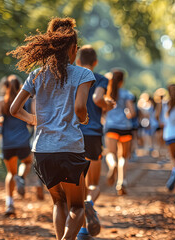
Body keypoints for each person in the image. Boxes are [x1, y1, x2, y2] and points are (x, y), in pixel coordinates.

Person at [8, 18, 95, 239]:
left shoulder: (37, 74)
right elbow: (80, 107)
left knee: (59, 202)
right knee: (77, 206)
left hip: (42, 149)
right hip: (70, 147)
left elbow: (14, 108)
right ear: (74, 48)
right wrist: (83, 119)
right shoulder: (83, 74)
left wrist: (34, 119)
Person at [75, 45, 115, 239]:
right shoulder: (101, 78)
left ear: (77, 61)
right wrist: (107, 104)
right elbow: (98, 98)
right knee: (93, 184)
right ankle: (90, 203)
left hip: (73, 135)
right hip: (93, 135)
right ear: (96, 62)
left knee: (77, 186)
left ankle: (82, 231)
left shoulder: (73, 77)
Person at [0, 75, 34, 216]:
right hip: (22, 141)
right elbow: (30, 119)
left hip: (7, 142)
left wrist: (2, 120)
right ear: (20, 85)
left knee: (10, 173)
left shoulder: (1, 101)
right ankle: (21, 177)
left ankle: (9, 204)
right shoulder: (25, 100)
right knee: (27, 161)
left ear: (5, 86)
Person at [104, 69, 136, 195]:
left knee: (111, 153)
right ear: (122, 81)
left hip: (111, 127)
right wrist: (126, 115)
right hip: (125, 128)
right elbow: (132, 113)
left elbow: (103, 111)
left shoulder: (107, 94)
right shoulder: (126, 94)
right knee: (123, 157)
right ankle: (121, 182)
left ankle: (112, 166)